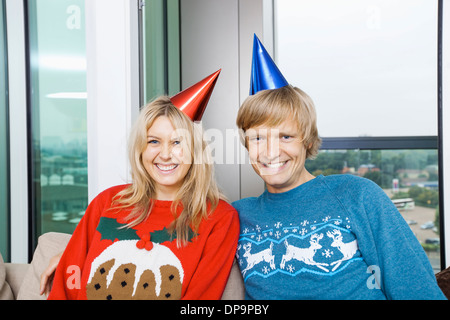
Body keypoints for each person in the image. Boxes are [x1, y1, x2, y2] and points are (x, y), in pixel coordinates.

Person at [231, 35, 446, 300]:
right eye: (258, 138)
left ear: (307, 141)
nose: (270, 151)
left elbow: (415, 288)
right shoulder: (236, 216)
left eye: (285, 136)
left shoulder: (356, 195)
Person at [43, 70, 240, 300]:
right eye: (154, 141)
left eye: (178, 142)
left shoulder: (219, 218)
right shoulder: (106, 203)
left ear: (195, 151)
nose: (165, 154)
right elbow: (66, 288)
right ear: (141, 149)